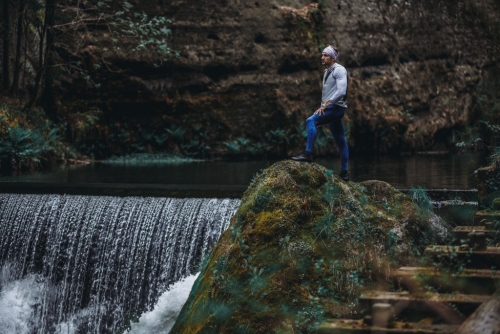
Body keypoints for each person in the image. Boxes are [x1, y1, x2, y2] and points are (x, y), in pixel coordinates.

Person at [292, 45, 350, 181]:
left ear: (333, 57)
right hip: (332, 108)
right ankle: (344, 173)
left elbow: (341, 91)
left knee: (310, 120)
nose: (322, 57)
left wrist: (325, 105)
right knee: (341, 140)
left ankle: (308, 154)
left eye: (325, 55)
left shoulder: (339, 70)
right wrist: (322, 107)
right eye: (322, 55)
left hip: (335, 108)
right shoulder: (327, 71)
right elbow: (329, 93)